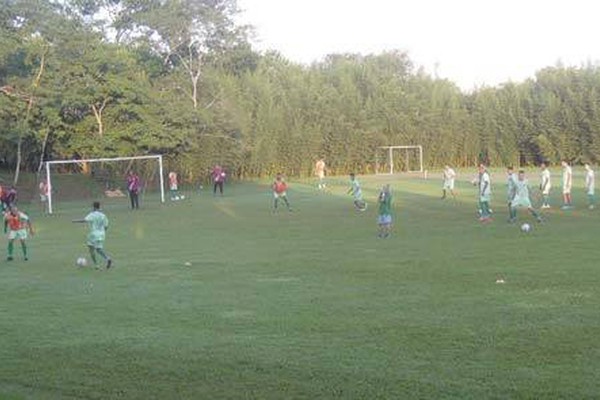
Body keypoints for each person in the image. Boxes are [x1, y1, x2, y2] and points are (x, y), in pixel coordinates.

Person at [72, 201, 112, 269]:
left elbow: (84, 220)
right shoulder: (103, 215)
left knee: (91, 249)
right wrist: (102, 232)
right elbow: (106, 226)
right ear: (99, 207)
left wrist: (75, 221)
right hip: (102, 234)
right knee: (99, 249)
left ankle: (96, 265)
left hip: (93, 234)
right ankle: (107, 258)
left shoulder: (92, 214)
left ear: (93, 207)